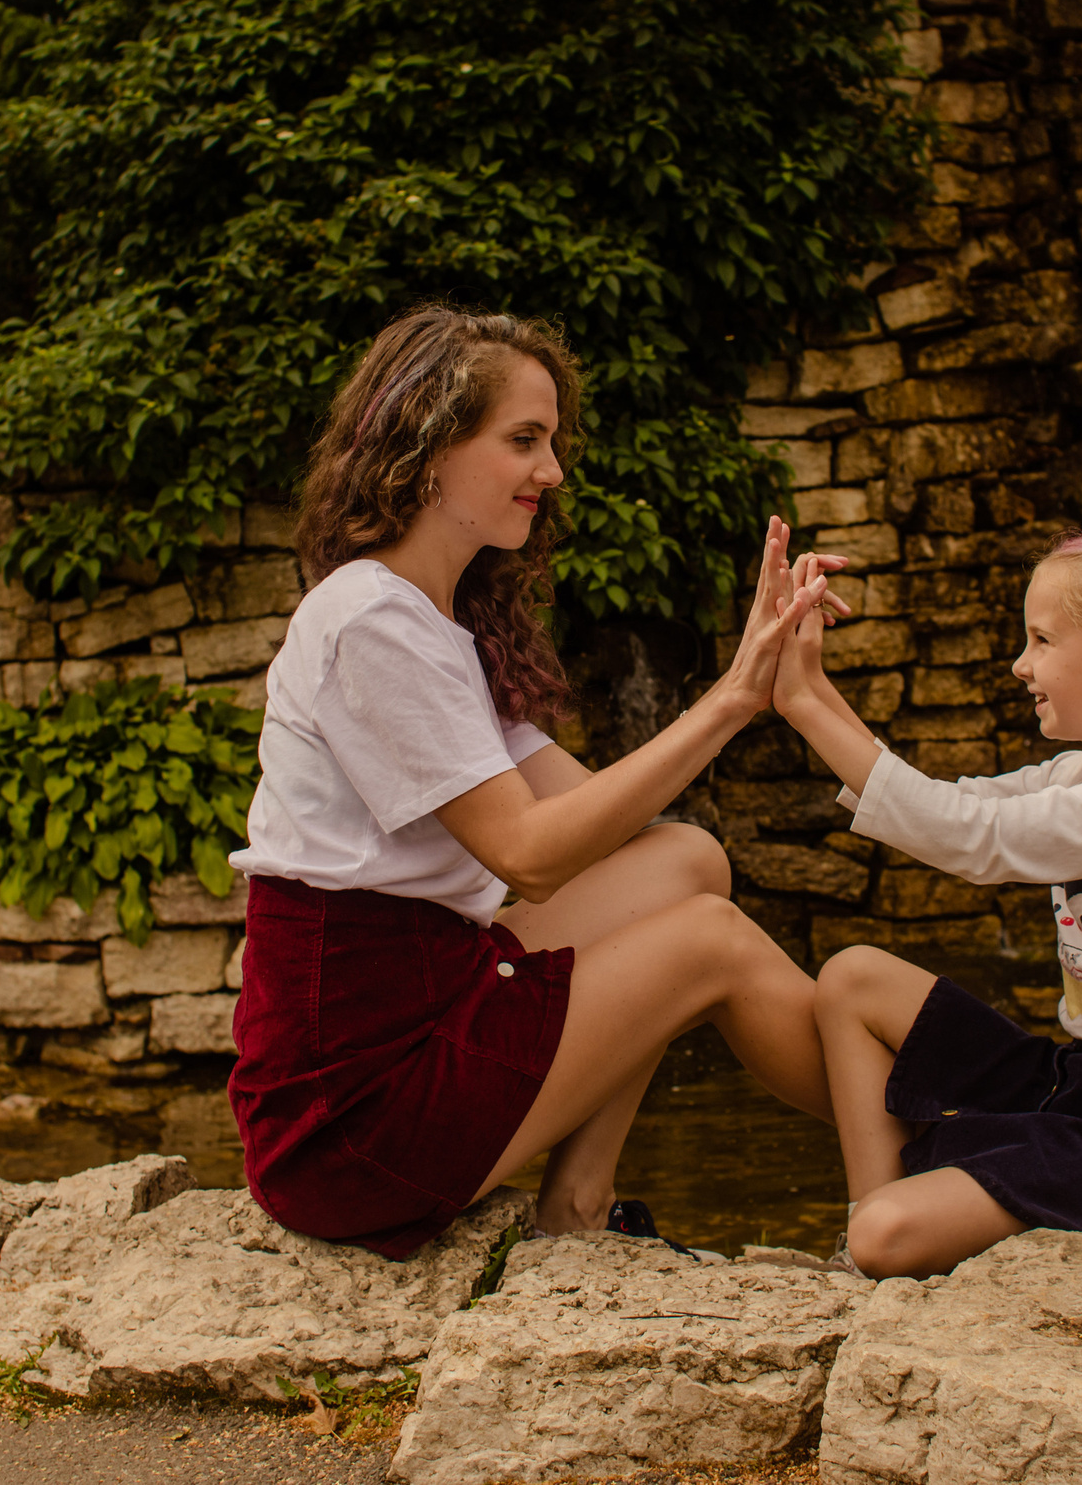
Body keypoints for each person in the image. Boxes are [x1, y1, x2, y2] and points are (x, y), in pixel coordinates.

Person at [226, 304, 841, 1258]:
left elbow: (604, 827)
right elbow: (530, 854)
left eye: (550, 442)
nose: (552, 472)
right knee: (707, 943)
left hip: (429, 996)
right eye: (524, 440)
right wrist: (724, 700)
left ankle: (577, 1211)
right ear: (429, 447)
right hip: (349, 1117)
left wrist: (758, 680)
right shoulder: (368, 620)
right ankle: (933, 1124)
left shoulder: (434, 624)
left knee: (686, 864)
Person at [771, 496, 1082, 1278]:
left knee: (887, 1232)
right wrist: (804, 679)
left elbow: (977, 840)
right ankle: (873, 1226)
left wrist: (800, 704)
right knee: (852, 980)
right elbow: (953, 804)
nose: (1020, 663)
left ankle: (885, 1235)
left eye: (1040, 640)